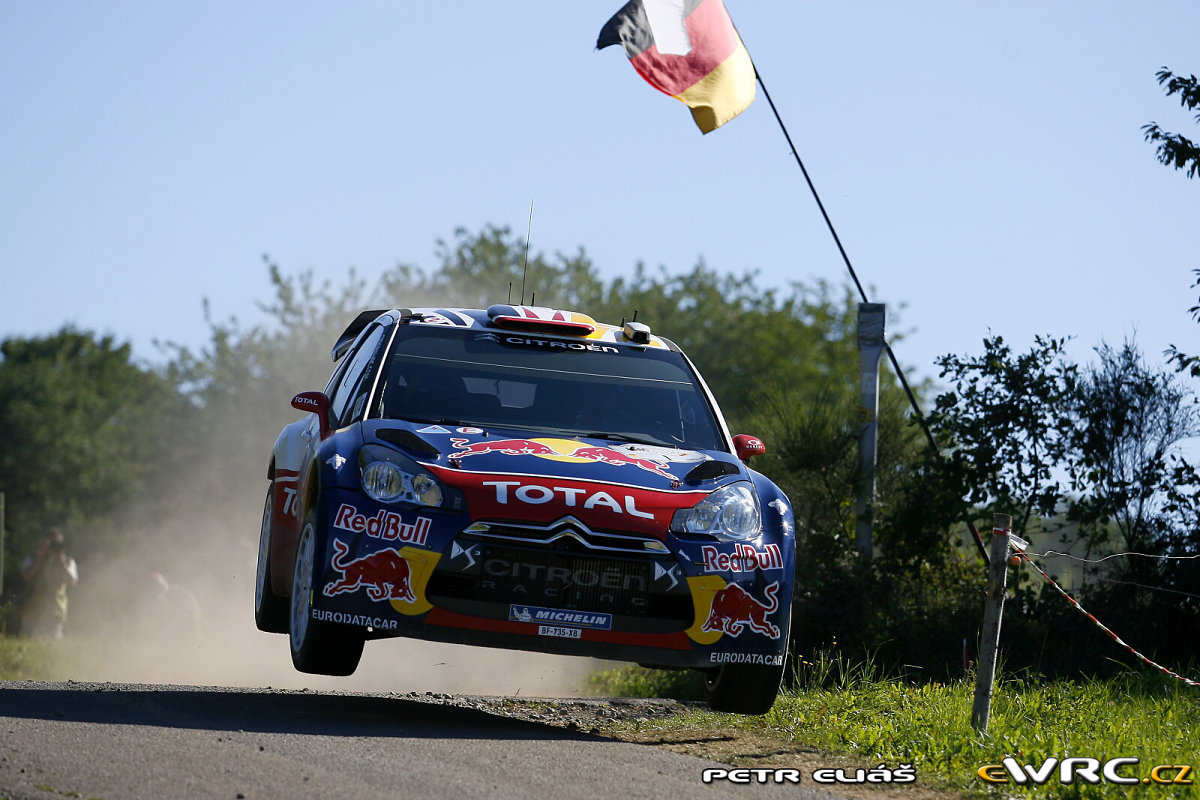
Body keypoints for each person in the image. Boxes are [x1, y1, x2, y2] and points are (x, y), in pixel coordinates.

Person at [20, 528, 79, 638]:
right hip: (33, 611)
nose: (53, 546)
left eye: (56, 543)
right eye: (50, 543)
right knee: (28, 641)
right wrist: (41, 556)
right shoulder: (33, 557)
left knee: (53, 642)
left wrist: (60, 561)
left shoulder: (68, 561)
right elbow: (26, 577)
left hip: (56, 612)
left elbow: (72, 582)